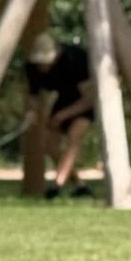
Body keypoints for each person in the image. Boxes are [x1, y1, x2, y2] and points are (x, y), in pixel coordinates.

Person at [23, 32, 96, 199]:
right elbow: (33, 94)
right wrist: (31, 113)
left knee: (74, 137)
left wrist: (63, 115)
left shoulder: (75, 60)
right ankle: (79, 185)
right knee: (49, 144)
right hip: (63, 99)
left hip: (85, 101)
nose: (44, 67)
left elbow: (89, 99)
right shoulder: (32, 68)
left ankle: (57, 184)